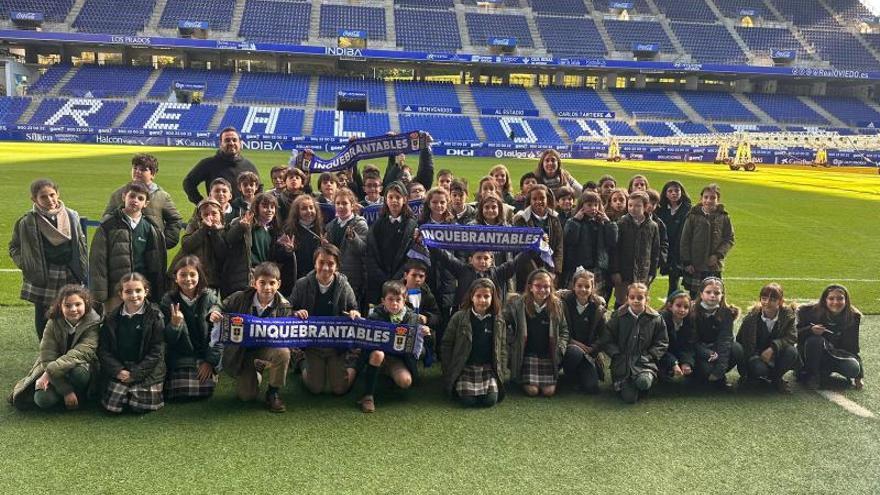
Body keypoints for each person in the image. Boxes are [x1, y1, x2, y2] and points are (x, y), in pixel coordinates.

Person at [10, 179, 88, 339]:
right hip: (44, 273)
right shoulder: (27, 221)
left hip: (69, 271)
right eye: (43, 197)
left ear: (58, 194)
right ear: (34, 199)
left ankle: (68, 347)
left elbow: (81, 243)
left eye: (52, 195)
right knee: (43, 313)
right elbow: (14, 247)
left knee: (71, 310)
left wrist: (82, 266)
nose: (50, 200)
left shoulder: (72, 215)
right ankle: (45, 349)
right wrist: (27, 264)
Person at [9, 285, 100, 411]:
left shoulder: (94, 322)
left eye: (78, 304)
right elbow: (47, 357)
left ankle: (81, 395)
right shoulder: (52, 322)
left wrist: (47, 373)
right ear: (60, 306)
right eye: (68, 305)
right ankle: (68, 396)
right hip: (55, 369)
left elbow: (82, 352)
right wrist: (66, 391)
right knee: (42, 400)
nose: (73, 309)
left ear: (86, 303)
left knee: (79, 373)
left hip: (78, 367)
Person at [220, 262, 292, 413]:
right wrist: (214, 312)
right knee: (246, 396)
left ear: (278, 284)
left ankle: (273, 393)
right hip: (243, 352)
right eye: (262, 283)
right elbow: (220, 305)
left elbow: (287, 333)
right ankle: (257, 371)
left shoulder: (284, 306)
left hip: (267, 349)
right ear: (254, 283)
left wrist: (298, 315)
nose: (267, 287)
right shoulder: (240, 297)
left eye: (272, 283)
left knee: (283, 352)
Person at [290, 245, 362, 396]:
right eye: (321, 262)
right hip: (311, 344)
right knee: (315, 388)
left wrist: (354, 313)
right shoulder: (302, 284)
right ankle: (300, 360)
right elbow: (288, 311)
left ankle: (354, 362)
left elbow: (354, 308)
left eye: (330, 264)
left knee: (339, 389)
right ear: (314, 263)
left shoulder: (344, 285)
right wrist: (296, 313)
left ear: (337, 266)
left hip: (336, 344)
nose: (325, 267)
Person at [89, 181, 166, 309]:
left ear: (146, 204)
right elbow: (98, 263)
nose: (135, 200)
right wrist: (100, 295)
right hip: (116, 291)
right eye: (132, 196)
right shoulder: (108, 225)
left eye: (140, 198)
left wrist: (157, 292)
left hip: (141, 292)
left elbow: (157, 264)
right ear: (124, 197)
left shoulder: (151, 228)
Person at [356, 280, 429, 413]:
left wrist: (422, 335)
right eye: (390, 299)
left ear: (404, 300)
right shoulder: (374, 316)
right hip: (378, 356)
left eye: (398, 300)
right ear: (383, 301)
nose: (394, 304)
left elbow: (421, 352)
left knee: (405, 381)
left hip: (398, 359)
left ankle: (385, 376)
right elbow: (365, 345)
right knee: (378, 354)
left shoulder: (412, 318)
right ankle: (367, 395)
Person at [98, 273, 167, 414]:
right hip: (121, 368)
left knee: (138, 407)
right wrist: (118, 371)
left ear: (146, 292)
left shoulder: (155, 315)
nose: (133, 295)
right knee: (113, 407)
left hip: (146, 369)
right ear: (120, 294)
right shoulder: (111, 318)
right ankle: (126, 392)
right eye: (128, 292)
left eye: (138, 291)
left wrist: (135, 374)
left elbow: (157, 351)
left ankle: (134, 393)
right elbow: (103, 350)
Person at [160, 256, 223, 400]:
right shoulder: (167, 301)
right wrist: (175, 325)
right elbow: (166, 339)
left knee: (204, 390)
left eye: (192, 274)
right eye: (183, 275)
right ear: (175, 278)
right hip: (180, 356)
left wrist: (209, 362)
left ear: (199, 276)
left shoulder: (211, 298)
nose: (188, 279)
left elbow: (218, 336)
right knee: (179, 393)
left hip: (204, 356)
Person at [442, 278, 508, 407]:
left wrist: (503, 371)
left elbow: (503, 347)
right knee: (468, 401)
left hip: (487, 368)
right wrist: (448, 370)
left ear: (493, 298)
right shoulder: (459, 317)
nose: (482, 300)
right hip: (465, 367)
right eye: (478, 296)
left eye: (486, 296)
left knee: (490, 401)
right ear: (472, 297)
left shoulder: (498, 320)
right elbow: (446, 344)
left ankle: (487, 389)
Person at [599, 282, 668, 404]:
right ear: (627, 299)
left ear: (647, 299)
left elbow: (662, 341)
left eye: (640, 298)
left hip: (644, 363)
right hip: (622, 363)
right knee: (629, 399)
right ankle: (624, 384)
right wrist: (616, 354)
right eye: (632, 297)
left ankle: (643, 382)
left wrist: (650, 355)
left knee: (644, 382)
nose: (636, 301)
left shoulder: (655, 318)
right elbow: (607, 338)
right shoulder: (618, 316)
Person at [505, 269, 569, 397]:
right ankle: (522, 378)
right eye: (538, 286)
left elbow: (564, 330)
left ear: (551, 287)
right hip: (527, 355)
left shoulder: (557, 305)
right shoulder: (519, 304)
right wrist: (511, 342)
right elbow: (503, 322)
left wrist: (561, 347)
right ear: (530, 287)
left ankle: (546, 380)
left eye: (546, 286)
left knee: (548, 392)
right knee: (532, 391)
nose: (542, 290)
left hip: (547, 355)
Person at [102, 153, 184, 250]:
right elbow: (107, 218)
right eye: (135, 168)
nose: (137, 172)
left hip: (152, 251)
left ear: (153, 174)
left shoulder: (162, 196)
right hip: (124, 249)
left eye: (143, 169)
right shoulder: (119, 193)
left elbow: (175, 220)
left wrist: (165, 242)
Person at [222, 193, 295, 298]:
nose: (269, 210)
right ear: (256, 208)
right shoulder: (244, 222)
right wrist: (241, 227)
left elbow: (273, 256)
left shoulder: (272, 230)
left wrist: (287, 250)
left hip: (263, 275)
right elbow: (229, 239)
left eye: (272, 207)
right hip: (245, 277)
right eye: (265, 206)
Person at [733, 283, 798, 393]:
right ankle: (752, 377)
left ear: (780, 301)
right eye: (764, 298)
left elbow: (792, 337)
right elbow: (740, 341)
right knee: (759, 369)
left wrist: (773, 348)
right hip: (756, 356)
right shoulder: (751, 318)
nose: (767, 302)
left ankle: (776, 379)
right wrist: (751, 362)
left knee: (792, 351)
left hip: (776, 356)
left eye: (772, 299)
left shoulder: (788, 317)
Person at [797, 284, 864, 390]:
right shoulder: (809, 312)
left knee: (854, 369)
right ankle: (812, 374)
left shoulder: (853, 317)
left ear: (846, 300)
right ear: (825, 300)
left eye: (840, 298)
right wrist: (810, 330)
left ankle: (823, 372)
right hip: (809, 355)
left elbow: (853, 348)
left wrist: (859, 377)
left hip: (834, 355)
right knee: (815, 340)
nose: (835, 302)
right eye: (831, 298)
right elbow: (794, 336)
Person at [364, 182, 418, 305]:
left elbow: (411, 255)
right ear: (385, 200)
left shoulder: (411, 225)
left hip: (402, 281)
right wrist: (382, 278)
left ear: (405, 199)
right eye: (391, 197)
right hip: (378, 283)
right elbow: (370, 253)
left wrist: (396, 279)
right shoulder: (378, 224)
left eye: (398, 197)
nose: (394, 201)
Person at [680, 184, 734, 299]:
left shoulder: (724, 217)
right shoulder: (693, 216)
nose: (709, 200)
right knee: (695, 297)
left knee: (713, 296)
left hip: (714, 266)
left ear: (718, 200)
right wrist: (687, 262)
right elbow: (685, 240)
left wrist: (718, 255)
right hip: (696, 265)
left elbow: (729, 239)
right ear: (701, 198)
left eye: (712, 198)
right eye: (706, 197)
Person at [683, 277, 739, 390]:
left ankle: (719, 377)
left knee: (737, 349)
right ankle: (697, 376)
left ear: (722, 295)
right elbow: (691, 341)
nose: (712, 295)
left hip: (716, 349)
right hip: (699, 351)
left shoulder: (726, 312)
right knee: (705, 370)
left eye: (717, 293)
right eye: (708, 292)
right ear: (701, 294)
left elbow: (725, 340)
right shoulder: (692, 311)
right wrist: (706, 352)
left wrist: (719, 371)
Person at [182, 127, 260, 205]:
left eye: (234, 140)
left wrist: (254, 206)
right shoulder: (208, 163)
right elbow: (188, 182)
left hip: (243, 215)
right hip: (219, 214)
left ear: (240, 143)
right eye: (227, 140)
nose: (231, 143)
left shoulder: (249, 165)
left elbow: (259, 187)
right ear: (221, 144)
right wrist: (201, 202)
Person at [559, 269, 607, 394]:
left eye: (587, 286)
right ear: (573, 286)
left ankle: (582, 373)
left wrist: (593, 348)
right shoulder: (564, 303)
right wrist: (576, 344)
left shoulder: (598, 308)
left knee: (591, 387)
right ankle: (570, 375)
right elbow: (559, 330)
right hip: (569, 347)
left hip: (589, 352)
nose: (583, 289)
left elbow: (604, 336)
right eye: (579, 286)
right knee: (574, 353)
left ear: (592, 288)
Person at [610, 191, 660, 308]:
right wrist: (615, 271)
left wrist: (652, 272)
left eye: (637, 206)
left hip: (643, 273)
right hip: (624, 273)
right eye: (630, 205)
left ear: (646, 207)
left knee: (639, 302)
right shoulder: (621, 223)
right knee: (622, 302)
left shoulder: (653, 226)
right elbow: (615, 249)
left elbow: (654, 251)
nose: (633, 208)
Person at [562, 190, 617, 293]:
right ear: (582, 206)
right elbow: (570, 240)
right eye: (589, 205)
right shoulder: (573, 221)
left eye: (596, 205)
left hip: (598, 267)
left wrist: (609, 223)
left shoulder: (602, 222)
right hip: (580, 266)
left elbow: (612, 241)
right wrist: (576, 221)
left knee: (597, 296)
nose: (594, 208)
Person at [513, 184, 564, 291]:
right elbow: (520, 249)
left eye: (542, 198)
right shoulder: (521, 220)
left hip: (550, 271)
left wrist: (555, 271)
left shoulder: (554, 219)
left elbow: (559, 246)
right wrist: (536, 275)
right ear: (529, 201)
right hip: (527, 272)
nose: (538, 201)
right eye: (534, 199)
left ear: (548, 199)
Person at [325, 188, 369, 311]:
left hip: (353, 277)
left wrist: (353, 238)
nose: (341, 206)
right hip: (333, 275)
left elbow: (364, 250)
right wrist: (325, 245)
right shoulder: (330, 226)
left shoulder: (360, 224)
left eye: (344, 203)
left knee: (351, 309)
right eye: (338, 203)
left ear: (352, 205)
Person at [171, 199, 227, 291]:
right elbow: (187, 245)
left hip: (212, 279)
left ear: (220, 215)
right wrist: (203, 229)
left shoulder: (224, 230)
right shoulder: (193, 226)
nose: (210, 217)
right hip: (191, 274)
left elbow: (222, 253)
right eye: (205, 214)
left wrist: (214, 232)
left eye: (214, 214)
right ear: (200, 217)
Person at [656, 181, 692, 296]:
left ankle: (672, 305)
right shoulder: (661, 210)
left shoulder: (688, 209)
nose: (674, 194)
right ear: (665, 194)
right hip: (665, 248)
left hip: (680, 250)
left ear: (682, 192)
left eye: (677, 191)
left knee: (674, 280)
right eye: (670, 191)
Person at [658, 290, 694, 381]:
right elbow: (659, 347)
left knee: (697, 371)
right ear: (670, 306)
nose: (682, 310)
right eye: (678, 306)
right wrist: (673, 363)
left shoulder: (689, 321)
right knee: (663, 376)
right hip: (661, 355)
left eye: (686, 307)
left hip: (678, 353)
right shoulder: (661, 320)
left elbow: (689, 345)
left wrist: (687, 362)